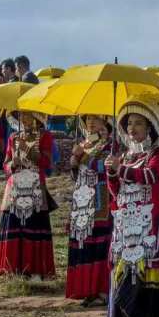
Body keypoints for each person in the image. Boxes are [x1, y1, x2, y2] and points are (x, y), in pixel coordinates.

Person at [105, 94, 159, 317]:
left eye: (138, 123)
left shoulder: (157, 154)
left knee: (150, 272)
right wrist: (111, 174)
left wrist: (121, 170)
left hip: (149, 226)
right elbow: (116, 192)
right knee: (127, 272)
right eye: (129, 124)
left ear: (150, 126)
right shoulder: (125, 156)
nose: (132, 128)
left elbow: (151, 177)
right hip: (126, 225)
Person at [0, 111, 56, 279]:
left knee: (34, 225)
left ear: (37, 117)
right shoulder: (13, 137)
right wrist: (12, 163)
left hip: (35, 187)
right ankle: (12, 268)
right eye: (21, 115)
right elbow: (5, 164)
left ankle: (36, 269)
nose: (24, 118)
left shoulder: (45, 136)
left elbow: (46, 162)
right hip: (15, 188)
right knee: (14, 225)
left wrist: (26, 149)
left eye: (28, 115)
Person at [65, 115, 116, 306]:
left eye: (95, 118)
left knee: (100, 244)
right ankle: (86, 288)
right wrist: (74, 164)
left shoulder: (111, 145)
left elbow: (105, 168)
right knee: (83, 243)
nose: (91, 123)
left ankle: (102, 290)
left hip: (102, 201)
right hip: (82, 200)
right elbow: (78, 175)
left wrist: (83, 157)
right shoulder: (84, 143)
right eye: (88, 119)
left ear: (105, 122)